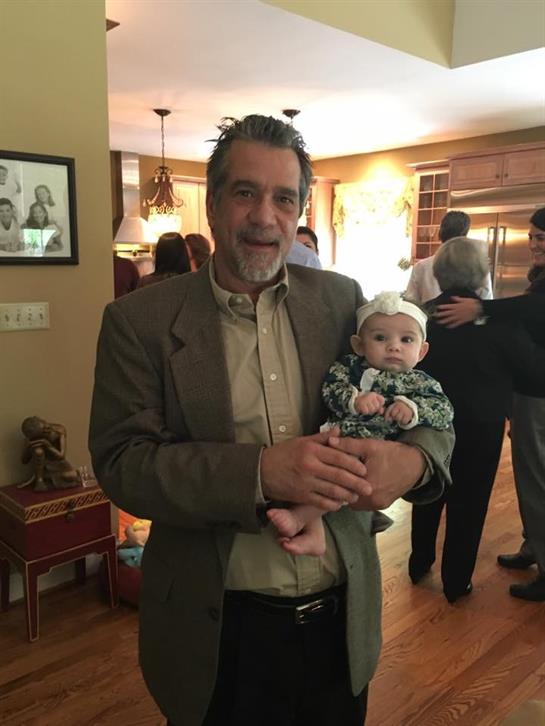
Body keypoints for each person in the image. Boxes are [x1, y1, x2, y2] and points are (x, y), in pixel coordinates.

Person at [89, 114, 454, 726]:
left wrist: (412, 460)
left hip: (341, 625)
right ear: (213, 205)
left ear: (300, 209)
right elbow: (123, 463)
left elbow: (425, 397)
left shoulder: (340, 300)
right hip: (217, 634)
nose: (265, 217)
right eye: (245, 193)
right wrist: (261, 473)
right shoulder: (138, 321)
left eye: (284, 198)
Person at [410, 236, 545, 603]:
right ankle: (456, 582)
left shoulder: (420, 316)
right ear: (481, 273)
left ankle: (419, 562)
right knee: (469, 502)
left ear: (438, 273)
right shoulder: (499, 323)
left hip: (428, 422)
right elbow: (534, 370)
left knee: (427, 489)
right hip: (481, 425)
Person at [268, 291, 454, 557]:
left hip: (373, 453)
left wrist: (411, 410)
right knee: (312, 473)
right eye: (380, 338)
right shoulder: (348, 368)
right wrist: (354, 400)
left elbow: (444, 411)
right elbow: (331, 389)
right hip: (335, 435)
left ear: (422, 350)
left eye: (406, 339)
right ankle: (314, 530)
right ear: (358, 344)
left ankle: (300, 518)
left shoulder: (420, 383)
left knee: (341, 482)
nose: (394, 347)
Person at [405, 210, 493, 304]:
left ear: (441, 233)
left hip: (428, 312)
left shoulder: (421, 267)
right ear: (464, 236)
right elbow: (487, 300)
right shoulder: (477, 264)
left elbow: (410, 304)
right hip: (470, 312)